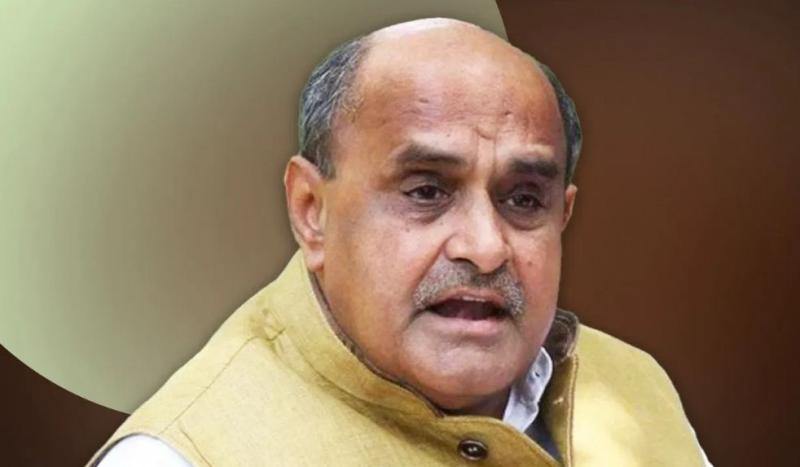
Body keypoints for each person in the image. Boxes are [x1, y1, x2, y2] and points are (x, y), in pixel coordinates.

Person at [90, 18, 711, 466]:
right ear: (311, 212)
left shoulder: (634, 386)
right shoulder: (186, 456)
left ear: (563, 215)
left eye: (524, 200)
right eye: (427, 192)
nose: (485, 248)